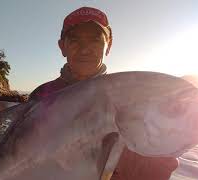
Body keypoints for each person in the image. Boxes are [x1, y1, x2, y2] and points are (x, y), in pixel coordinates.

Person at [29, 6, 178, 180]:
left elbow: (155, 170)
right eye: (75, 40)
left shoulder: (132, 99)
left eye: (95, 40)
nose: (85, 49)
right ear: (62, 46)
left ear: (108, 46)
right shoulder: (42, 96)